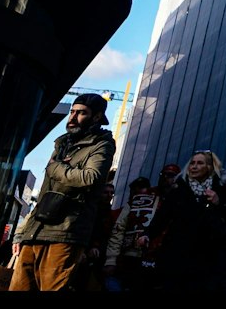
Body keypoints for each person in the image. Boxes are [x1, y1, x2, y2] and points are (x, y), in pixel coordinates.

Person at [10, 93, 116, 291]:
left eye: (81, 113)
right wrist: (21, 233)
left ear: (96, 117)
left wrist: (55, 168)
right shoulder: (62, 144)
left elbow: (90, 178)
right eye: (72, 112)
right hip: (36, 230)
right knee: (18, 287)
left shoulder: (102, 144)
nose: (73, 117)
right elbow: (45, 194)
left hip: (66, 231)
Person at [149, 149, 226, 291]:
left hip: (207, 256)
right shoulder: (179, 188)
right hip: (177, 254)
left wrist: (219, 202)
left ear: (209, 167)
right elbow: (163, 216)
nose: (194, 166)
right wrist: (147, 234)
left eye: (200, 163)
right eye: (192, 163)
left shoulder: (222, 188)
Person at [103, 176, 159, 291]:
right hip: (127, 257)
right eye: (134, 189)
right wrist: (111, 260)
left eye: (141, 188)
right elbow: (118, 231)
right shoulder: (129, 206)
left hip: (150, 258)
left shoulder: (158, 203)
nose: (137, 192)